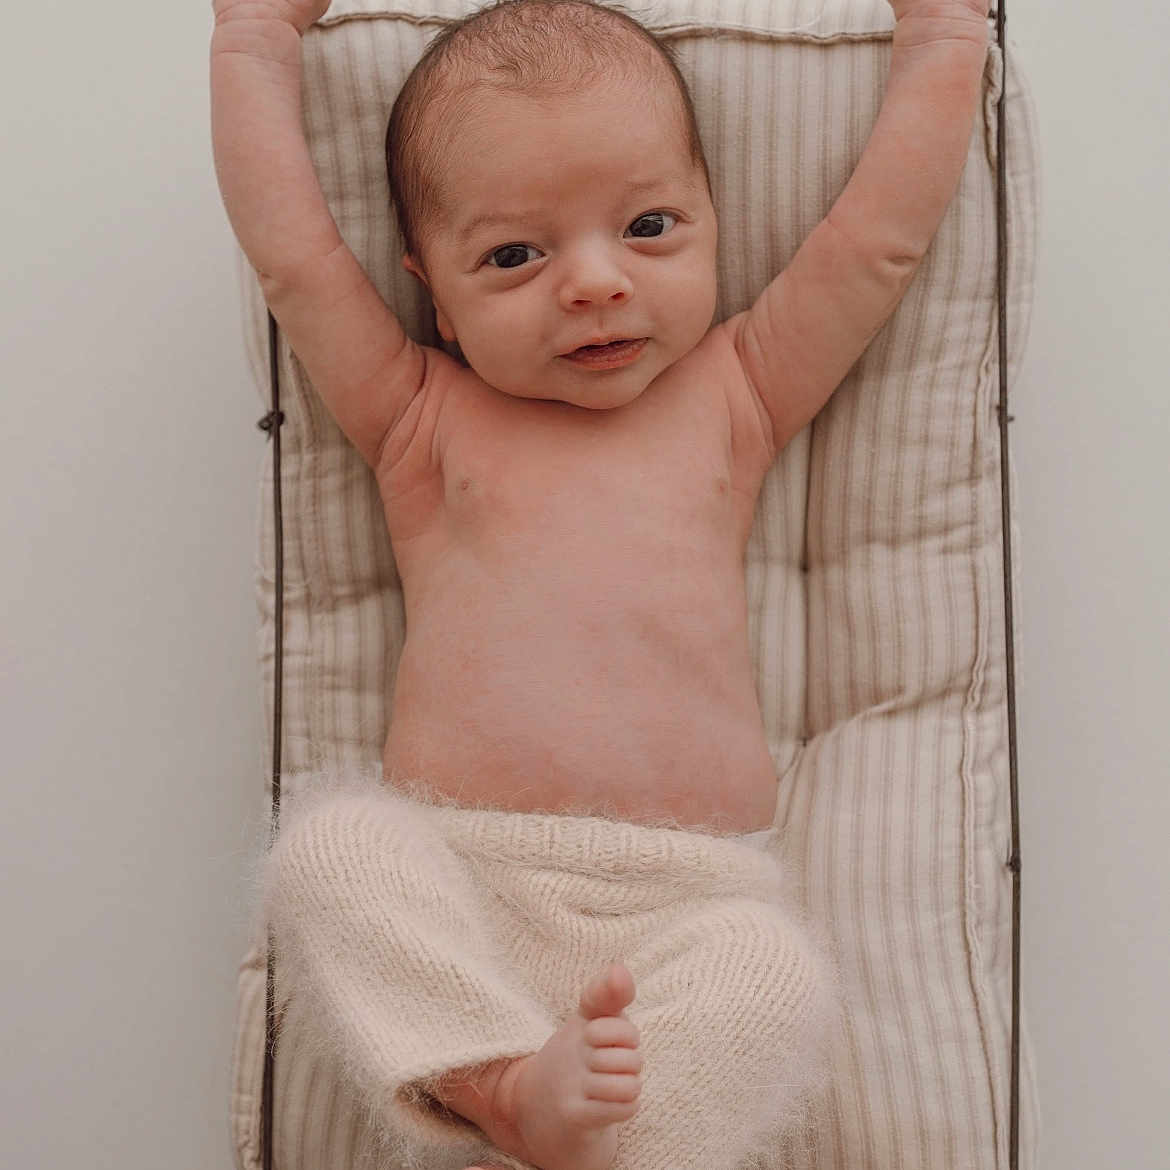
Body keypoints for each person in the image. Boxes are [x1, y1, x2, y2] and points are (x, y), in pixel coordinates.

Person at [210, 2, 991, 1167]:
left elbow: (876, 243)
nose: (590, 282)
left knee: (773, 971)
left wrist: (944, 40)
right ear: (434, 293)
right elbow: (293, 255)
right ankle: (497, 1086)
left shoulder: (739, 393)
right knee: (331, 852)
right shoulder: (421, 417)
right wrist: (251, 41)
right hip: (468, 879)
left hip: (687, 898)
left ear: (715, 221)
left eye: (649, 226)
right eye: (515, 255)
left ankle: (604, 1143)